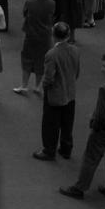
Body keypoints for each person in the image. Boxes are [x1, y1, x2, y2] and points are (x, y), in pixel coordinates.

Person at [59, 53, 105, 200]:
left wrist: (94, 126)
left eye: (104, 66)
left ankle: (79, 188)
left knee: (91, 158)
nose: (102, 69)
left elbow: (101, 115)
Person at [33, 22, 80, 161]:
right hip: (70, 93)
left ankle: (49, 150)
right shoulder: (75, 50)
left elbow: (49, 77)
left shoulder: (51, 54)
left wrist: (45, 87)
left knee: (50, 124)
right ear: (68, 35)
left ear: (53, 35)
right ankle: (66, 149)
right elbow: (76, 72)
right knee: (67, 123)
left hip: (55, 94)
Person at [14, 0, 55, 96]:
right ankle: (38, 86)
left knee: (27, 59)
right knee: (41, 61)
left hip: (31, 34)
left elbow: (24, 14)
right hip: (45, 35)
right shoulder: (52, 3)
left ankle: (24, 85)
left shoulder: (29, 2)